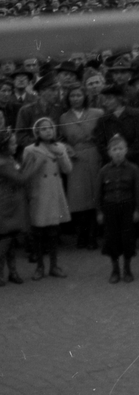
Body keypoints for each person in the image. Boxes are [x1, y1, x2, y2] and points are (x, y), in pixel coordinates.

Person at [22, 116, 72, 279]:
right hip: (38, 193)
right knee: (38, 231)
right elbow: (26, 174)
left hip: (54, 192)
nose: (48, 131)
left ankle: (54, 265)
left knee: (53, 231)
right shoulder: (30, 149)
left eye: (50, 128)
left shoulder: (60, 147)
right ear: (37, 132)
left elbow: (67, 169)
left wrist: (61, 155)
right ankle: (39, 266)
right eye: (43, 129)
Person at [58, 83, 104, 248]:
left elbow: (103, 134)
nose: (76, 99)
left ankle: (92, 236)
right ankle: (81, 235)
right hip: (75, 159)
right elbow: (61, 139)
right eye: (72, 96)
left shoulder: (97, 113)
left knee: (94, 194)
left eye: (79, 95)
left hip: (93, 155)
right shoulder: (64, 117)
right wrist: (67, 148)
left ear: (85, 97)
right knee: (78, 198)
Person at [95, 133, 139, 283]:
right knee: (112, 239)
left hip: (127, 207)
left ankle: (127, 269)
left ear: (126, 150)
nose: (118, 152)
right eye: (114, 149)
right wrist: (99, 212)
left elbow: (138, 191)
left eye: (121, 149)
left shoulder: (133, 169)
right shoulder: (104, 171)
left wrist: (138, 210)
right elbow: (98, 193)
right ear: (109, 152)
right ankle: (115, 270)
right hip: (110, 208)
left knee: (128, 238)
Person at [0, 126, 30, 284]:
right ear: (3, 146)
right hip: (6, 206)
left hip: (12, 204)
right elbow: (21, 179)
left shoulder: (10, 159)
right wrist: (35, 165)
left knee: (10, 240)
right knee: (4, 241)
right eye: (12, 143)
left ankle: (13, 272)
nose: (16, 146)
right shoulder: (3, 163)